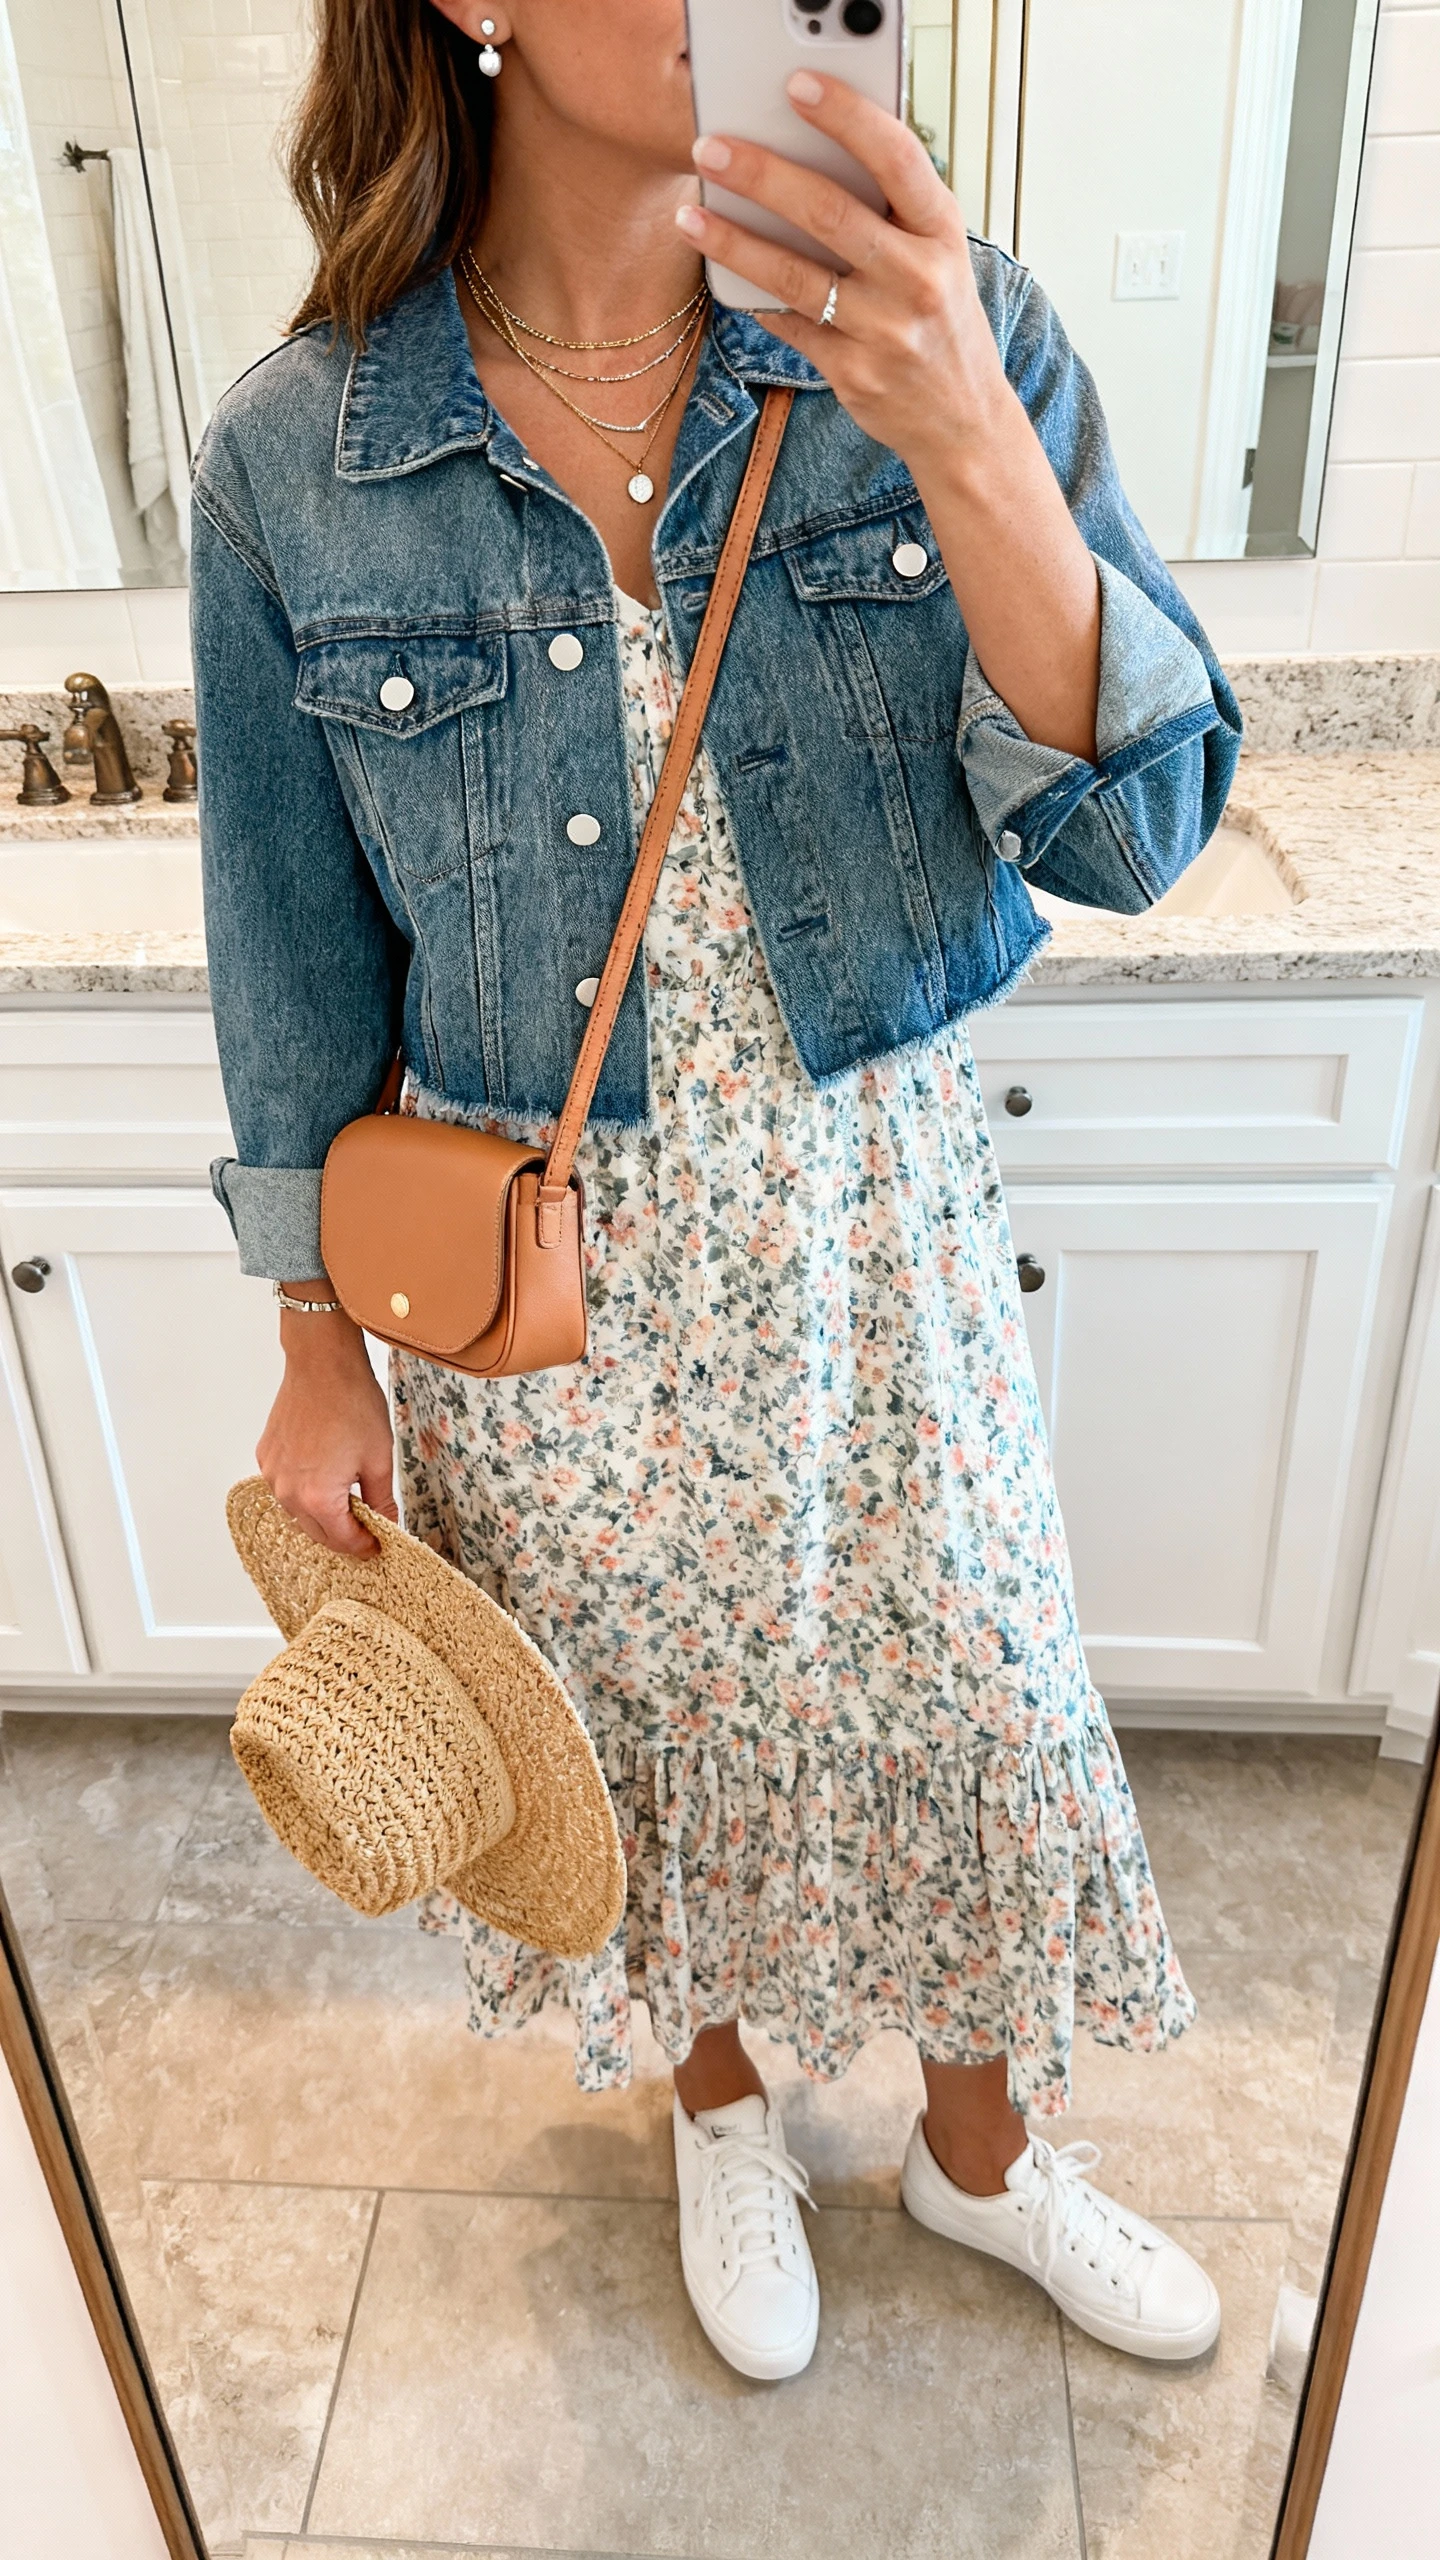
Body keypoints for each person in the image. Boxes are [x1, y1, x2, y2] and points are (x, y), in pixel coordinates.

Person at [193, 0, 1241, 2383]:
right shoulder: (298, 455)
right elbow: (286, 944)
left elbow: (1138, 826)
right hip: (554, 1278)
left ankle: (985, 2151)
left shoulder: (959, 331)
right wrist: (308, 1351)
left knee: (963, 1681)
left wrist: (962, 417)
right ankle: (724, 2104)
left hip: (883, 1232)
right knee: (630, 1732)